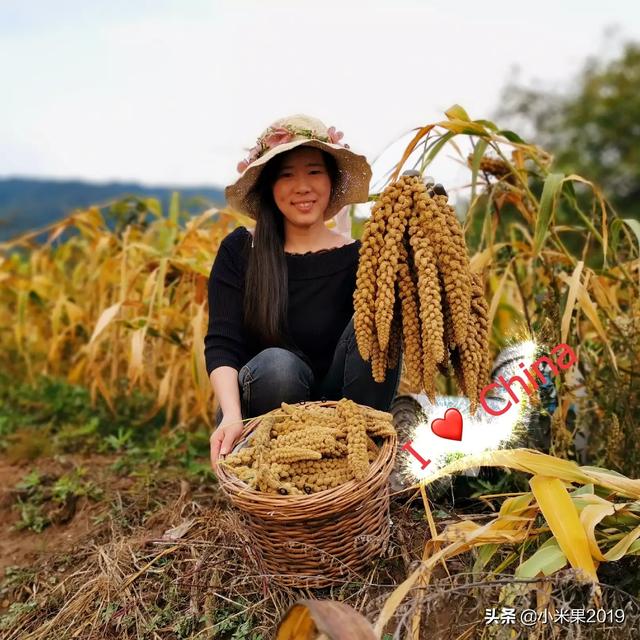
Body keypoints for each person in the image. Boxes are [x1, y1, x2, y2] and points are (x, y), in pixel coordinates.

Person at [205, 114, 403, 469]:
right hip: (265, 407)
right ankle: (267, 466)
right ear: (268, 186)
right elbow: (222, 342)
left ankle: (359, 461)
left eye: (314, 171)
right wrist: (230, 416)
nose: (302, 187)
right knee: (279, 366)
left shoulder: (362, 256)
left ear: (330, 181)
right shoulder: (240, 251)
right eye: (286, 174)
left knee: (378, 320)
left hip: (342, 415)